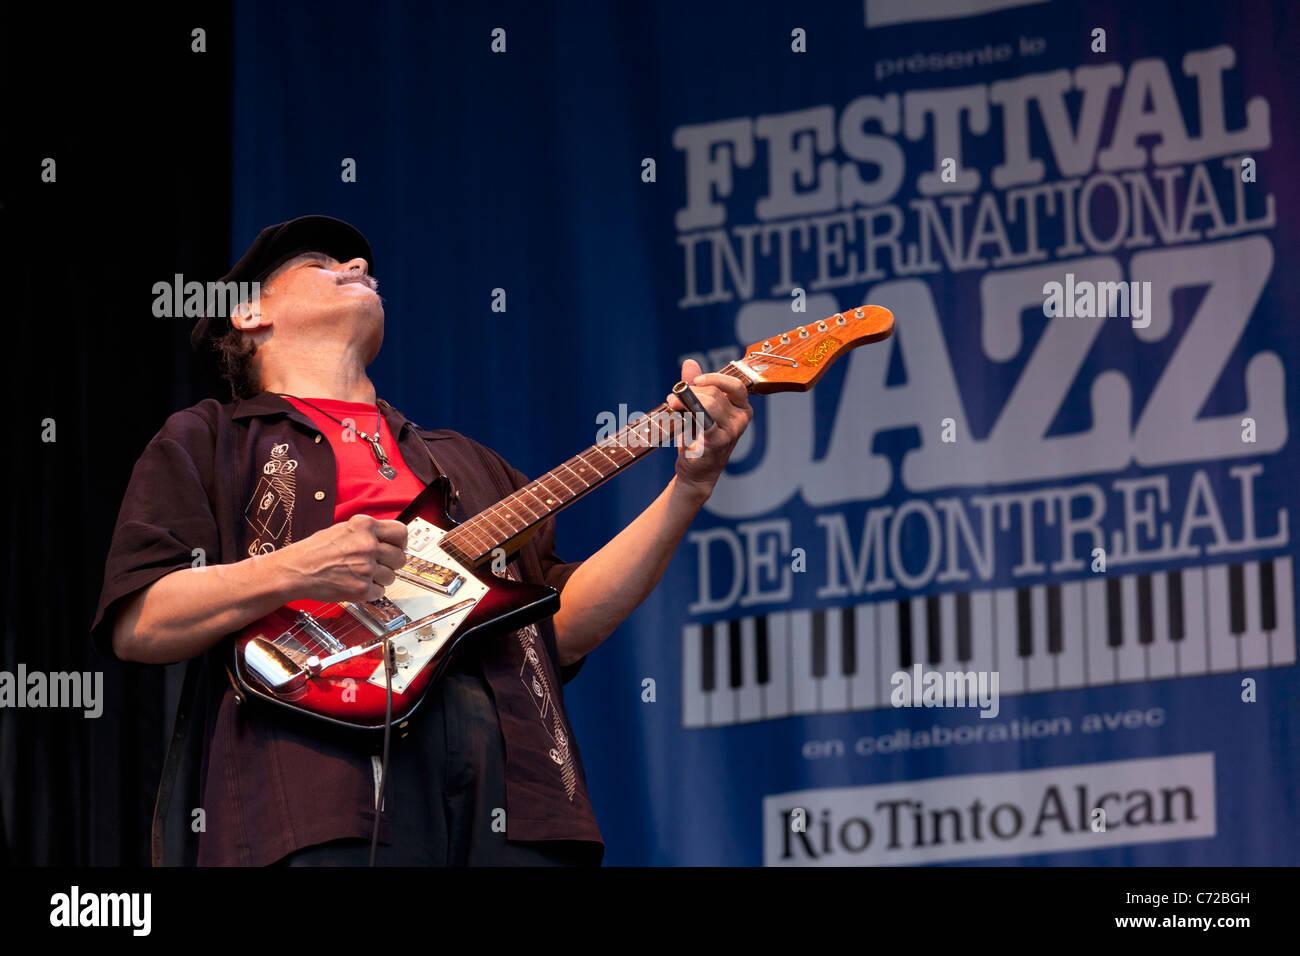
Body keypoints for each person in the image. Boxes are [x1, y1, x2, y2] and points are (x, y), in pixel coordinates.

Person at [91, 215, 752, 866]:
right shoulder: (209, 440)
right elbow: (141, 622)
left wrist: (689, 489)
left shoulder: (469, 464)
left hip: (514, 796)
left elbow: (564, 625)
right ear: (249, 315)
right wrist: (294, 570)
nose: (357, 268)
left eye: (361, 266)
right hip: (316, 793)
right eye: (324, 265)